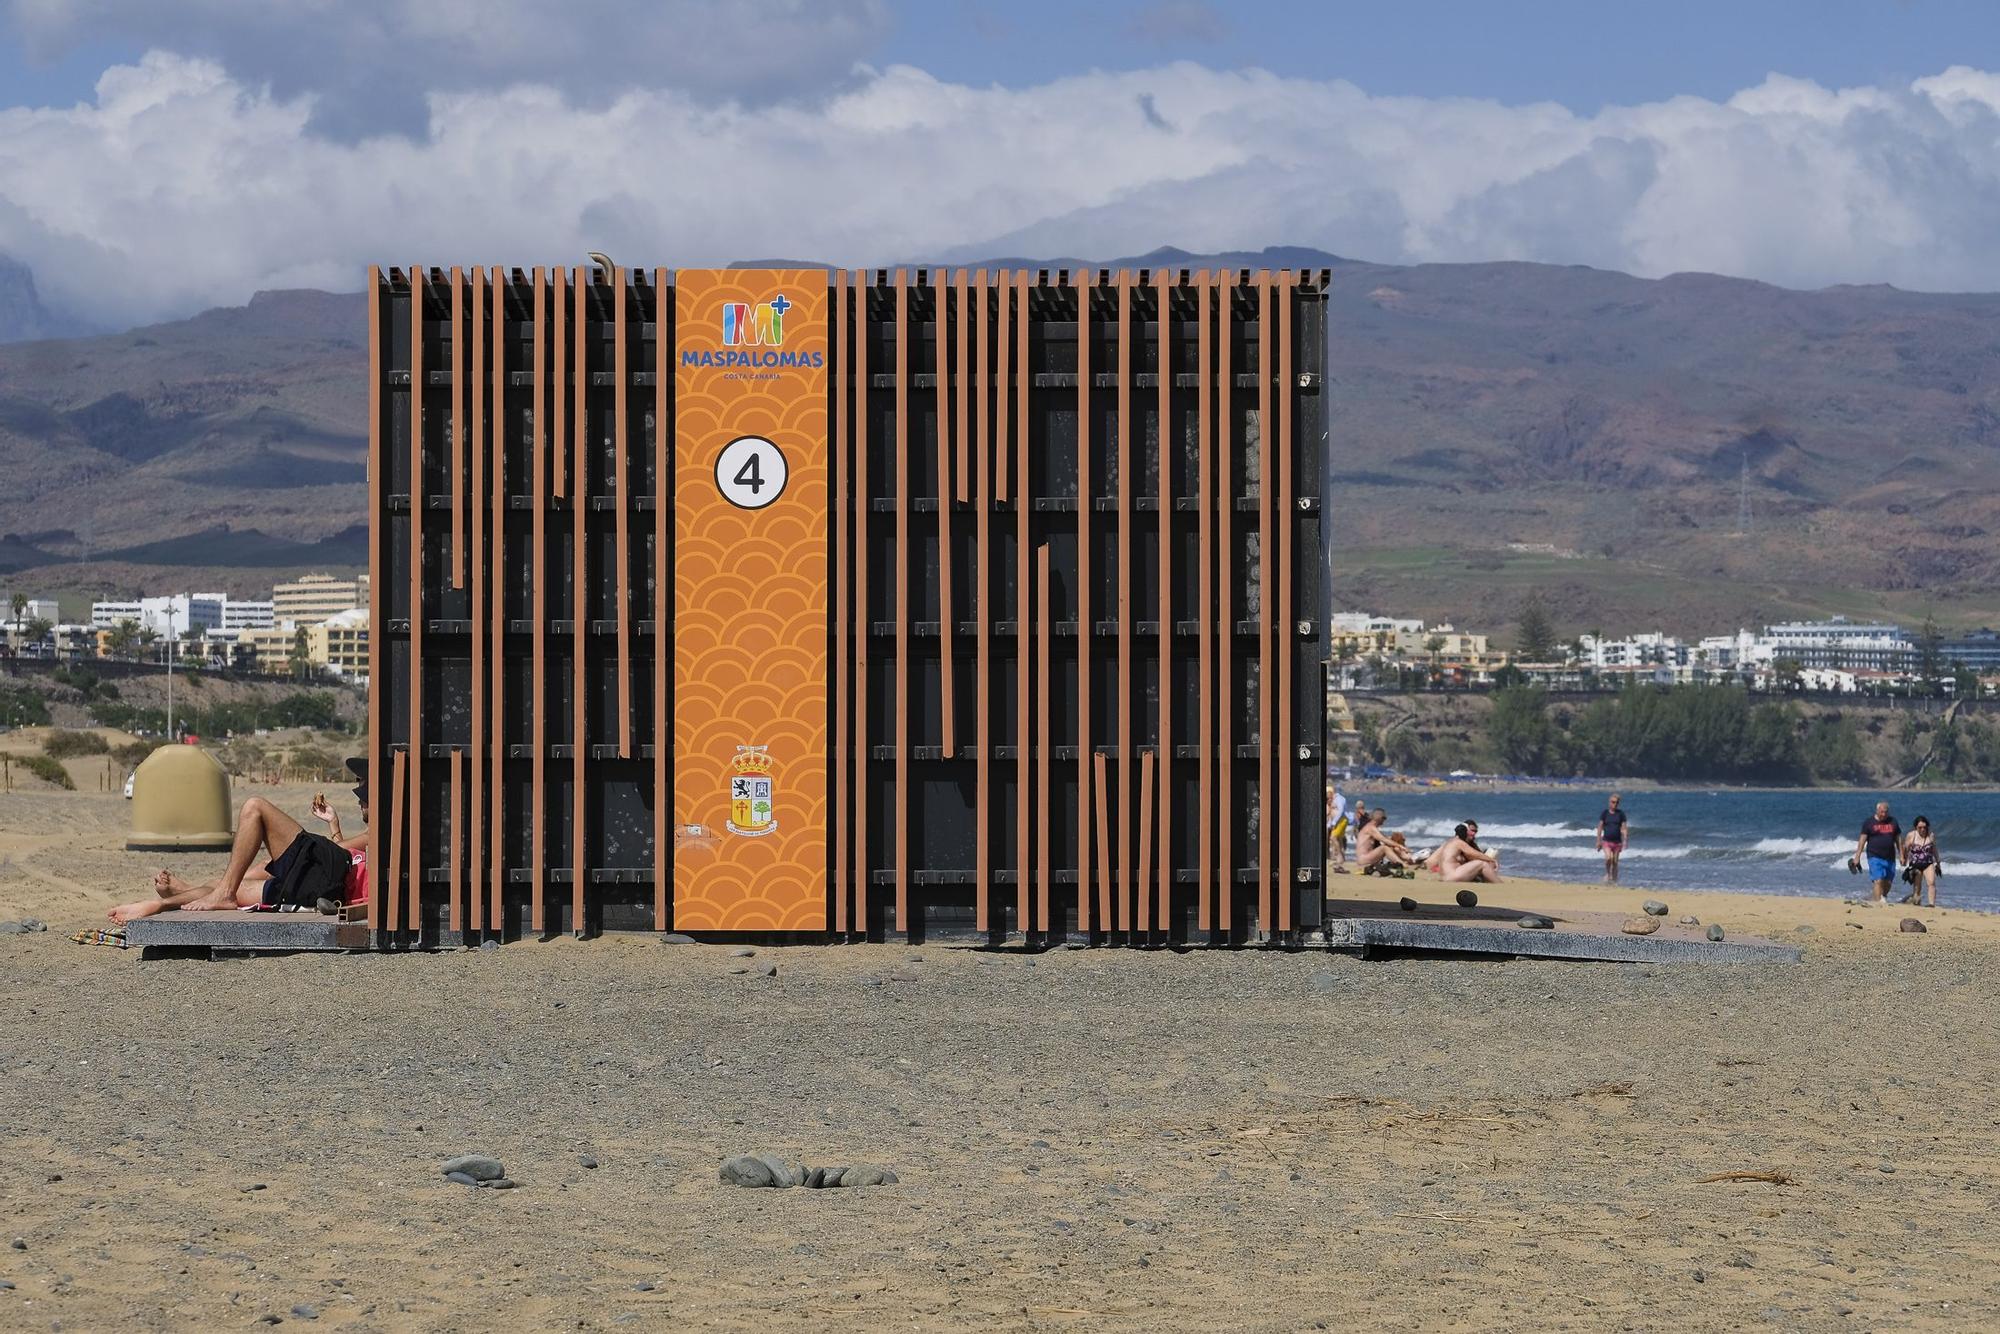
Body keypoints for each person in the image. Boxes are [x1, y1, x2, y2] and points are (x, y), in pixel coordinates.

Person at [109, 759, 372, 923]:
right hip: (325, 875)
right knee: (236, 886)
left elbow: (342, 854)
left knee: (254, 808)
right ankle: (179, 897)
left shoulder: (382, 833)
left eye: (364, 794)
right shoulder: (376, 836)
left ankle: (185, 897)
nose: (359, 800)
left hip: (329, 879)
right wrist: (333, 823)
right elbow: (344, 850)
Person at [1851, 800, 1902, 906]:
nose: (1884, 814)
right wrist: (1857, 857)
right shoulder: (1869, 822)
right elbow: (1862, 840)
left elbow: (1898, 839)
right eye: (1882, 812)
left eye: (1886, 812)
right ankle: (1878, 903)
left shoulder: (1893, 822)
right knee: (1878, 880)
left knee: (1888, 883)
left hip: (1890, 857)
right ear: (1877, 810)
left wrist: (1902, 854)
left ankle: (1880, 897)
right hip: (1874, 856)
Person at [1427, 821, 1504, 883]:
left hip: (1448, 876)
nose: (1474, 834)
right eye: (1472, 831)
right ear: (1464, 831)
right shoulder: (1458, 842)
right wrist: (1492, 860)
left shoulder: (1451, 842)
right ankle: (1499, 884)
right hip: (1451, 876)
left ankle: (1489, 880)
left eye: (1475, 831)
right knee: (1482, 863)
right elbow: (1473, 853)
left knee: (1481, 863)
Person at [1900, 815, 1942, 908]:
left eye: (1924, 827)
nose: (1922, 829)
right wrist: (1904, 859)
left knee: (1931, 882)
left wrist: (1938, 863)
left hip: (1928, 863)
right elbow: (1905, 849)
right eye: (1920, 827)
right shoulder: (1911, 835)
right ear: (1916, 827)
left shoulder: (1931, 835)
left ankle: (1931, 904)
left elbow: (1934, 849)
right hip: (1915, 865)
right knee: (1917, 886)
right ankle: (1916, 903)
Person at [1594, 793, 1630, 884]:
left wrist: (1625, 840)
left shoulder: (1621, 814)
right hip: (1606, 841)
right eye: (1613, 802)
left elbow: (1624, 828)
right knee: (1608, 858)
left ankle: (1614, 881)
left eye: (1616, 803)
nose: (1615, 804)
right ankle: (1607, 873)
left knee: (1615, 862)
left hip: (1617, 842)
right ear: (1609, 802)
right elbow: (1600, 827)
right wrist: (1598, 841)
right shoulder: (1605, 813)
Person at [1327, 784, 1350, 873]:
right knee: (1339, 839)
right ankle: (1341, 859)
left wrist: (1334, 822)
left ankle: (1339, 856)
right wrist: (1330, 823)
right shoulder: (1332, 800)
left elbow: (1340, 811)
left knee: (1333, 837)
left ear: (1330, 792)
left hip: (1341, 820)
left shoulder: (1339, 799)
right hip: (1338, 821)